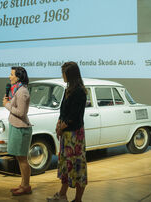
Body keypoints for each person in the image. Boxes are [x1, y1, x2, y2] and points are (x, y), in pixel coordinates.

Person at [47, 62, 88, 202]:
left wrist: (60, 127)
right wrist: (58, 123)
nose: (62, 75)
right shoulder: (68, 89)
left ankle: (78, 199)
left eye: (63, 72)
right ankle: (62, 195)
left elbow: (73, 116)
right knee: (65, 166)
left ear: (70, 74)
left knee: (77, 167)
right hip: (66, 134)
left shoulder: (80, 92)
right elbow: (63, 111)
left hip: (75, 136)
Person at [2, 67, 33, 196]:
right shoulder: (18, 90)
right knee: (20, 158)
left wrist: (7, 105)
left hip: (21, 129)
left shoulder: (22, 92)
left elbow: (21, 113)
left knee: (23, 159)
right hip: (16, 127)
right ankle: (23, 184)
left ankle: (26, 186)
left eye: (11, 75)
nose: (9, 77)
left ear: (18, 77)